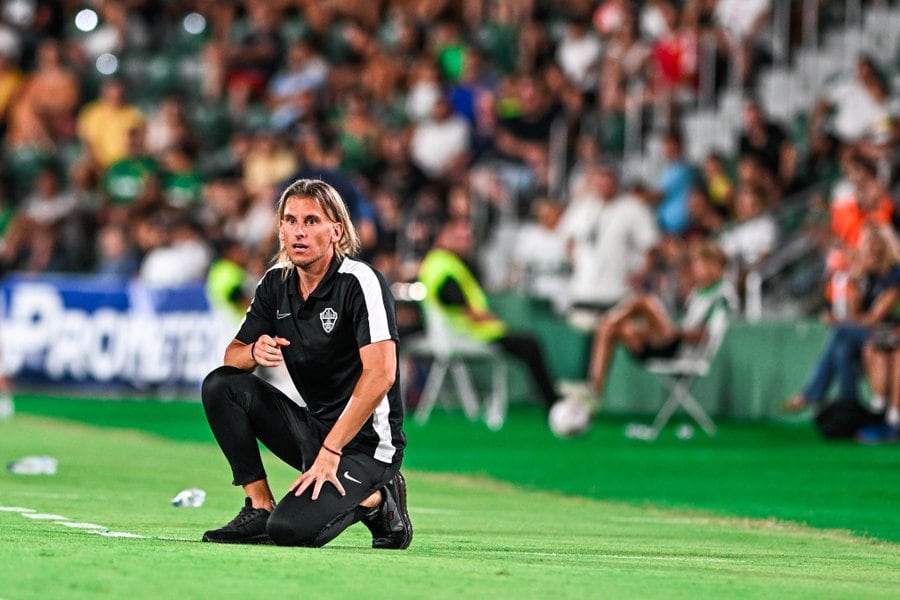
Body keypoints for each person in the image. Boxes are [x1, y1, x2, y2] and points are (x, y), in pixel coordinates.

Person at [200, 178, 411, 549]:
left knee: (291, 531)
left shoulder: (360, 282)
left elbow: (381, 375)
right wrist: (253, 353)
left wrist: (331, 452)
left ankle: (379, 499)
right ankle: (259, 505)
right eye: (290, 220)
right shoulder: (275, 283)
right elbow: (232, 356)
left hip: (366, 444)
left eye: (312, 221)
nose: (299, 231)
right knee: (222, 384)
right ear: (280, 229)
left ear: (336, 230)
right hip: (315, 429)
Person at [417, 217, 562, 410]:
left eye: (468, 238)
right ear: (444, 235)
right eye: (461, 237)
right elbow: (460, 304)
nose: (466, 242)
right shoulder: (444, 266)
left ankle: (552, 401)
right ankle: (553, 402)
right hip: (472, 334)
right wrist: (491, 320)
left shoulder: (437, 263)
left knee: (528, 344)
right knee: (531, 345)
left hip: (464, 333)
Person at [586, 240, 738, 403]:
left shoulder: (723, 295)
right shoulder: (698, 291)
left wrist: (676, 331)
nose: (700, 269)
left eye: (706, 264)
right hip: (670, 344)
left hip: (685, 352)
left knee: (644, 302)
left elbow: (705, 335)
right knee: (610, 330)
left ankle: (599, 320)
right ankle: (593, 392)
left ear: (719, 267)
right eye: (698, 264)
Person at [783, 223, 900, 412]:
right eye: (865, 242)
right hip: (870, 331)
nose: (865, 247)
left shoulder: (895, 274)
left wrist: (839, 321)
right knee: (841, 349)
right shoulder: (868, 275)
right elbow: (855, 314)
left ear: (883, 246)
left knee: (840, 332)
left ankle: (813, 394)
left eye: (870, 242)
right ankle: (849, 406)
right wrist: (855, 280)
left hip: (889, 331)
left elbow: (874, 318)